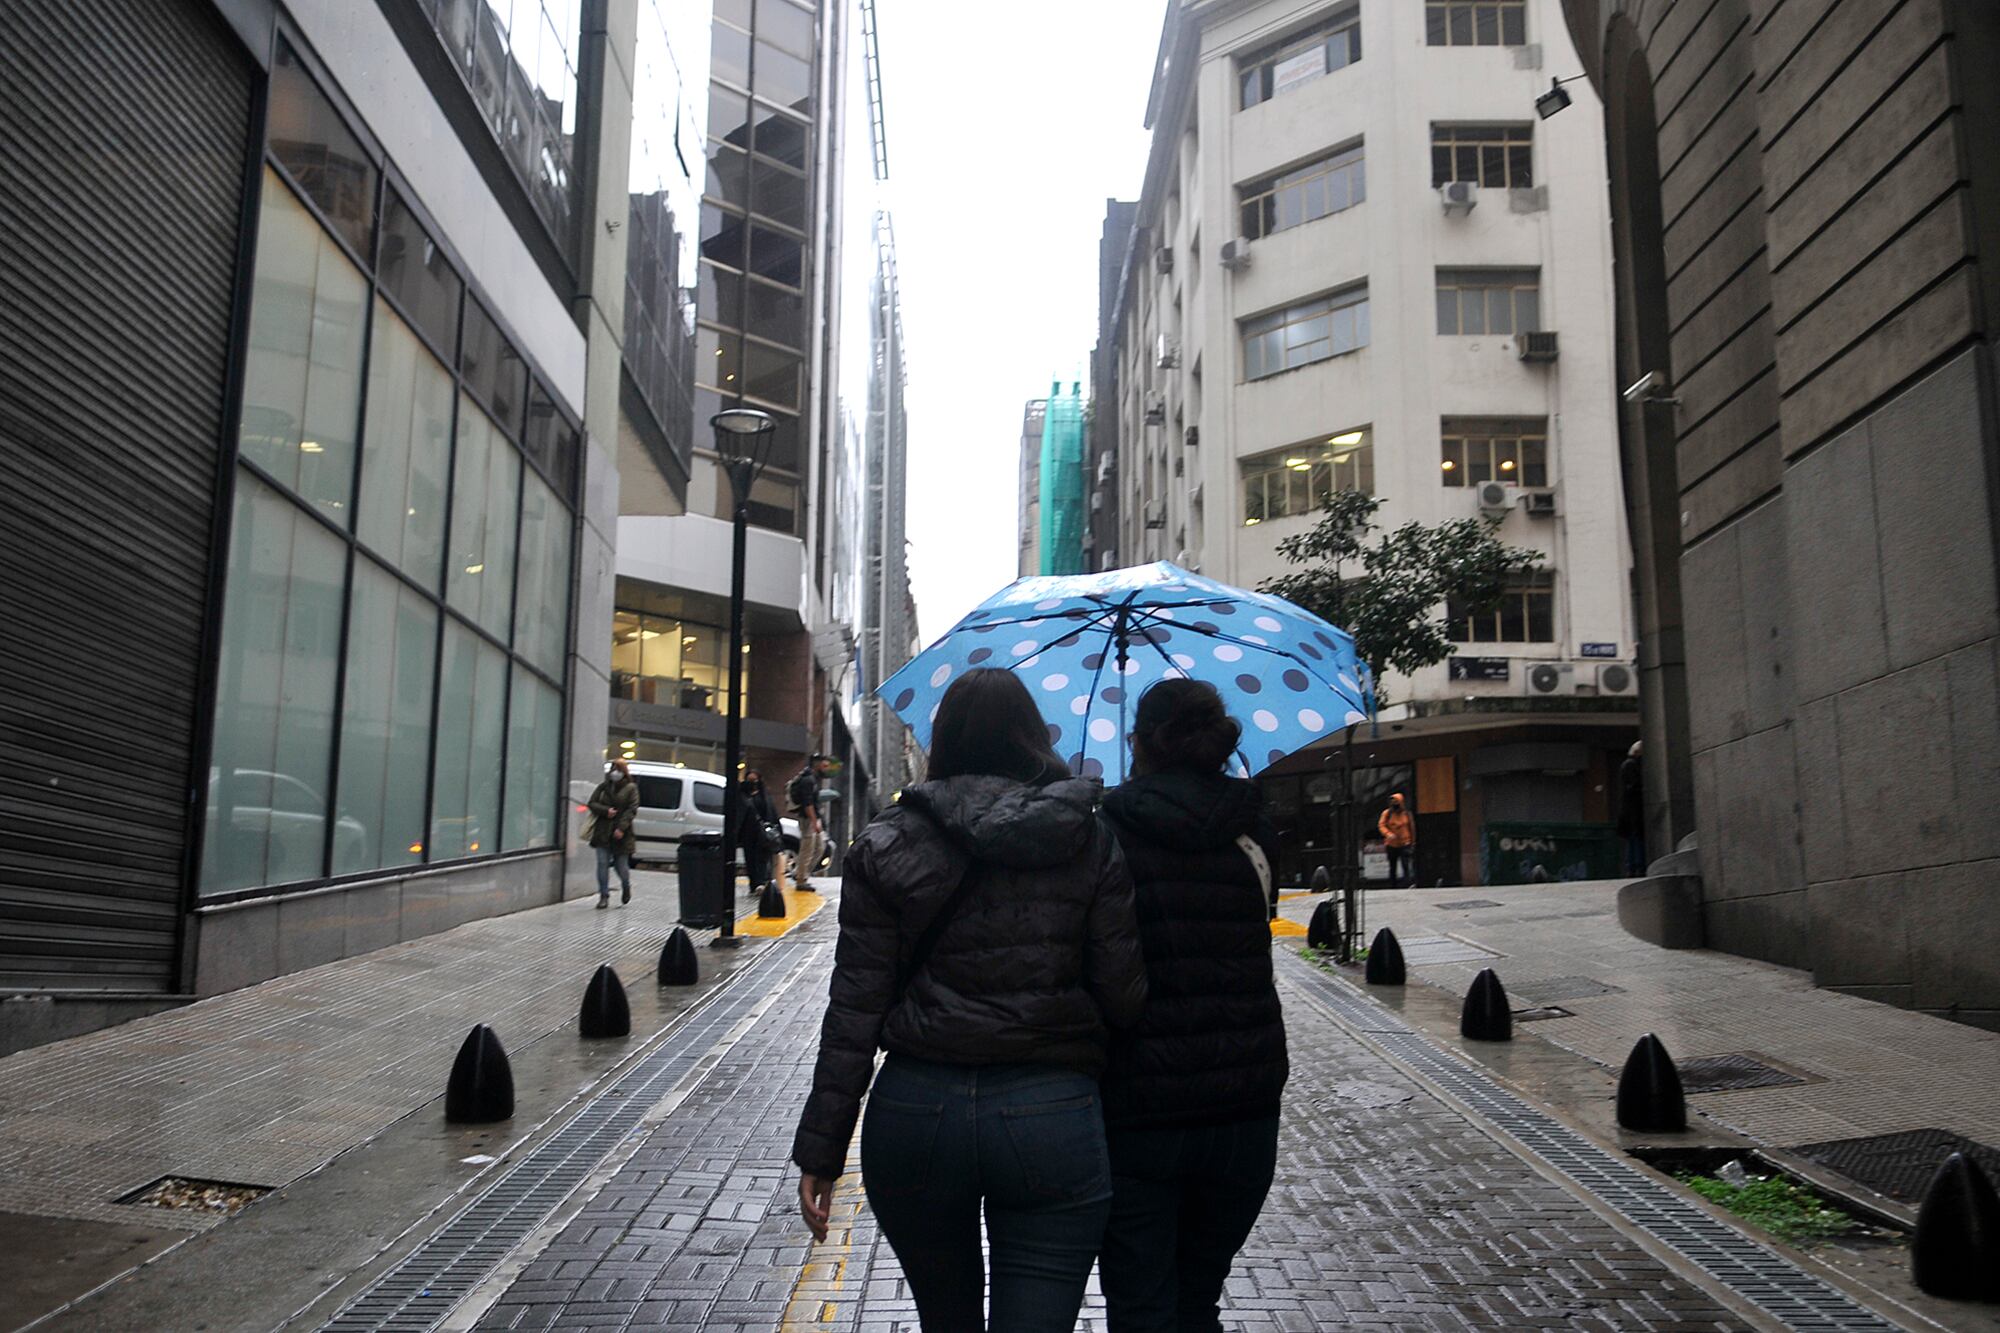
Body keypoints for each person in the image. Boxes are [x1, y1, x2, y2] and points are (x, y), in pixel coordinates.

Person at [791, 667, 1146, 1330]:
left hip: (917, 1110)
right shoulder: (1087, 837)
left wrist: (821, 1148)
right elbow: (1123, 994)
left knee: (944, 1318)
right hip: (1049, 1109)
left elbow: (855, 1008)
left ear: (942, 739)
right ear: (1032, 737)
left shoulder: (887, 840)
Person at [1098, 678, 1288, 1331]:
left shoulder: (1109, 830)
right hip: (1245, 1106)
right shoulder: (1253, 828)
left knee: (1142, 1303)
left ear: (1140, 743)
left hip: (1138, 1107)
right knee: (1196, 1297)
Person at [586, 759, 639, 909]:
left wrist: (621, 828)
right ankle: (604, 895)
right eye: (613, 769)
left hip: (622, 834)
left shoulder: (631, 788)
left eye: (618, 770)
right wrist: (605, 811)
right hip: (602, 831)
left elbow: (632, 809)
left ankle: (626, 885)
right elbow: (592, 803)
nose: (614, 773)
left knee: (620, 865)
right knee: (602, 864)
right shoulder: (604, 787)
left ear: (624, 772)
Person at [738, 768, 780, 896]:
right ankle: (754, 884)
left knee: (762, 858)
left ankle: (761, 883)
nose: (752, 783)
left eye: (754, 780)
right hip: (748, 832)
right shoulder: (742, 794)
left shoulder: (764, 795)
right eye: (750, 780)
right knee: (750, 858)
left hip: (763, 832)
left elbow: (771, 812)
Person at [788, 754, 828, 881]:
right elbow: (807, 803)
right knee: (807, 849)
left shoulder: (813, 779)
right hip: (808, 819)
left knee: (819, 847)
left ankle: (800, 872)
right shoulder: (808, 780)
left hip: (812, 818)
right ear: (817, 764)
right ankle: (801, 878)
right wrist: (814, 821)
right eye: (824, 765)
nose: (826, 768)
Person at [1618, 740, 1646, 876]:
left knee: (1633, 839)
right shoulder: (1632, 766)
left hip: (1629, 810)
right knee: (1636, 839)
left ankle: (1633, 867)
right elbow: (1634, 785)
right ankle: (1637, 867)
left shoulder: (1627, 765)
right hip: (1633, 811)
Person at [1378, 792, 1415, 888]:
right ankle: (1393, 885)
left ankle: (1407, 883)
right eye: (1393, 802)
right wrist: (1388, 834)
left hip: (1404, 842)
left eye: (1397, 802)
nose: (1395, 805)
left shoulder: (1406, 814)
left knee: (1405, 864)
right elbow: (1381, 825)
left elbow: (1412, 828)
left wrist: (1412, 842)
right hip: (1391, 844)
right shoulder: (1387, 813)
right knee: (1392, 865)